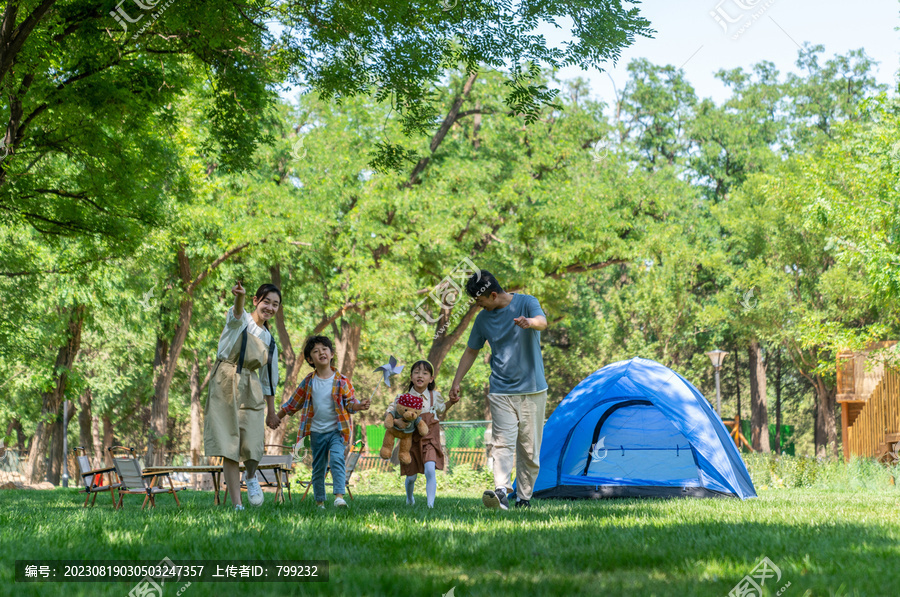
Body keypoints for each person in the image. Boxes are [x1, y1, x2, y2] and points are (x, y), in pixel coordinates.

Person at [449, 270, 548, 510]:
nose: (477, 305)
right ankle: (501, 491)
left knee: (529, 450)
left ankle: (524, 499)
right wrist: (456, 381)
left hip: (532, 391)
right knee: (502, 443)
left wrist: (529, 322)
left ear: (493, 295)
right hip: (501, 390)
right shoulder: (482, 319)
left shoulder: (526, 302)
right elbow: (471, 350)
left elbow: (542, 322)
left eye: (479, 300)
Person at [204, 281, 282, 510]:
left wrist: (271, 411)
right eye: (266, 301)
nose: (270, 307)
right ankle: (237, 504)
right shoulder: (241, 321)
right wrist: (240, 297)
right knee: (229, 442)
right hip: (226, 379)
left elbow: (269, 376)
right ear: (256, 301)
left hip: (251, 383)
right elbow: (237, 313)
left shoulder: (270, 340)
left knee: (253, 441)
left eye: (275, 304)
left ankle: (250, 475)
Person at [276, 335, 370, 508]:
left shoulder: (342, 381)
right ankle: (320, 502)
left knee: (336, 460)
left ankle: (339, 497)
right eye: (315, 351)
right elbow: (293, 403)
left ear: (332, 353)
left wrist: (359, 406)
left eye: (324, 349)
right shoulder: (309, 382)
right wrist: (277, 416)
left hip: (337, 431)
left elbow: (350, 404)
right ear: (310, 359)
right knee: (318, 467)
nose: (321, 353)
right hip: (316, 432)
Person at [392, 360, 458, 508]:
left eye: (425, 373)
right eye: (416, 372)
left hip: (430, 440)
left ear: (431, 378)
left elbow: (441, 409)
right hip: (411, 441)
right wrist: (395, 421)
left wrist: (452, 402)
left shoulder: (435, 396)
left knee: (430, 470)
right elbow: (393, 413)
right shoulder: (403, 398)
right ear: (411, 377)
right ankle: (409, 498)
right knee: (411, 477)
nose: (420, 375)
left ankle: (430, 505)